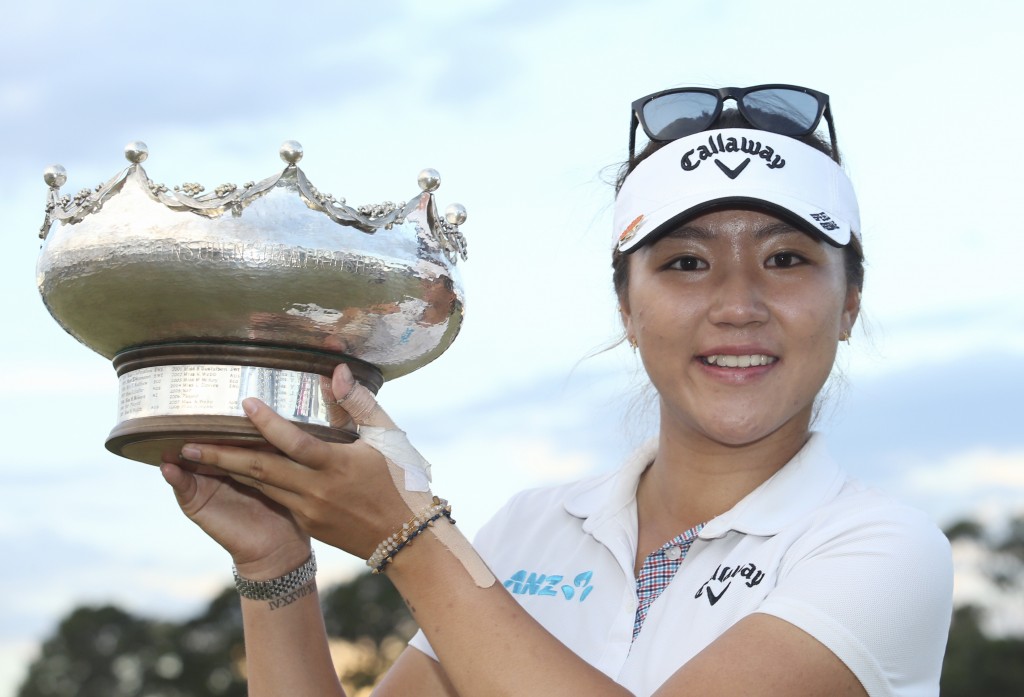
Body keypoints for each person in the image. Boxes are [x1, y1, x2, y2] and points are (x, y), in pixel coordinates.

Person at [160, 84, 954, 696]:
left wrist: (406, 536)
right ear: (627, 308)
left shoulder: (883, 548)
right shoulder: (533, 526)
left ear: (849, 302)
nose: (737, 304)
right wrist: (275, 562)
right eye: (685, 261)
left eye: (786, 259)